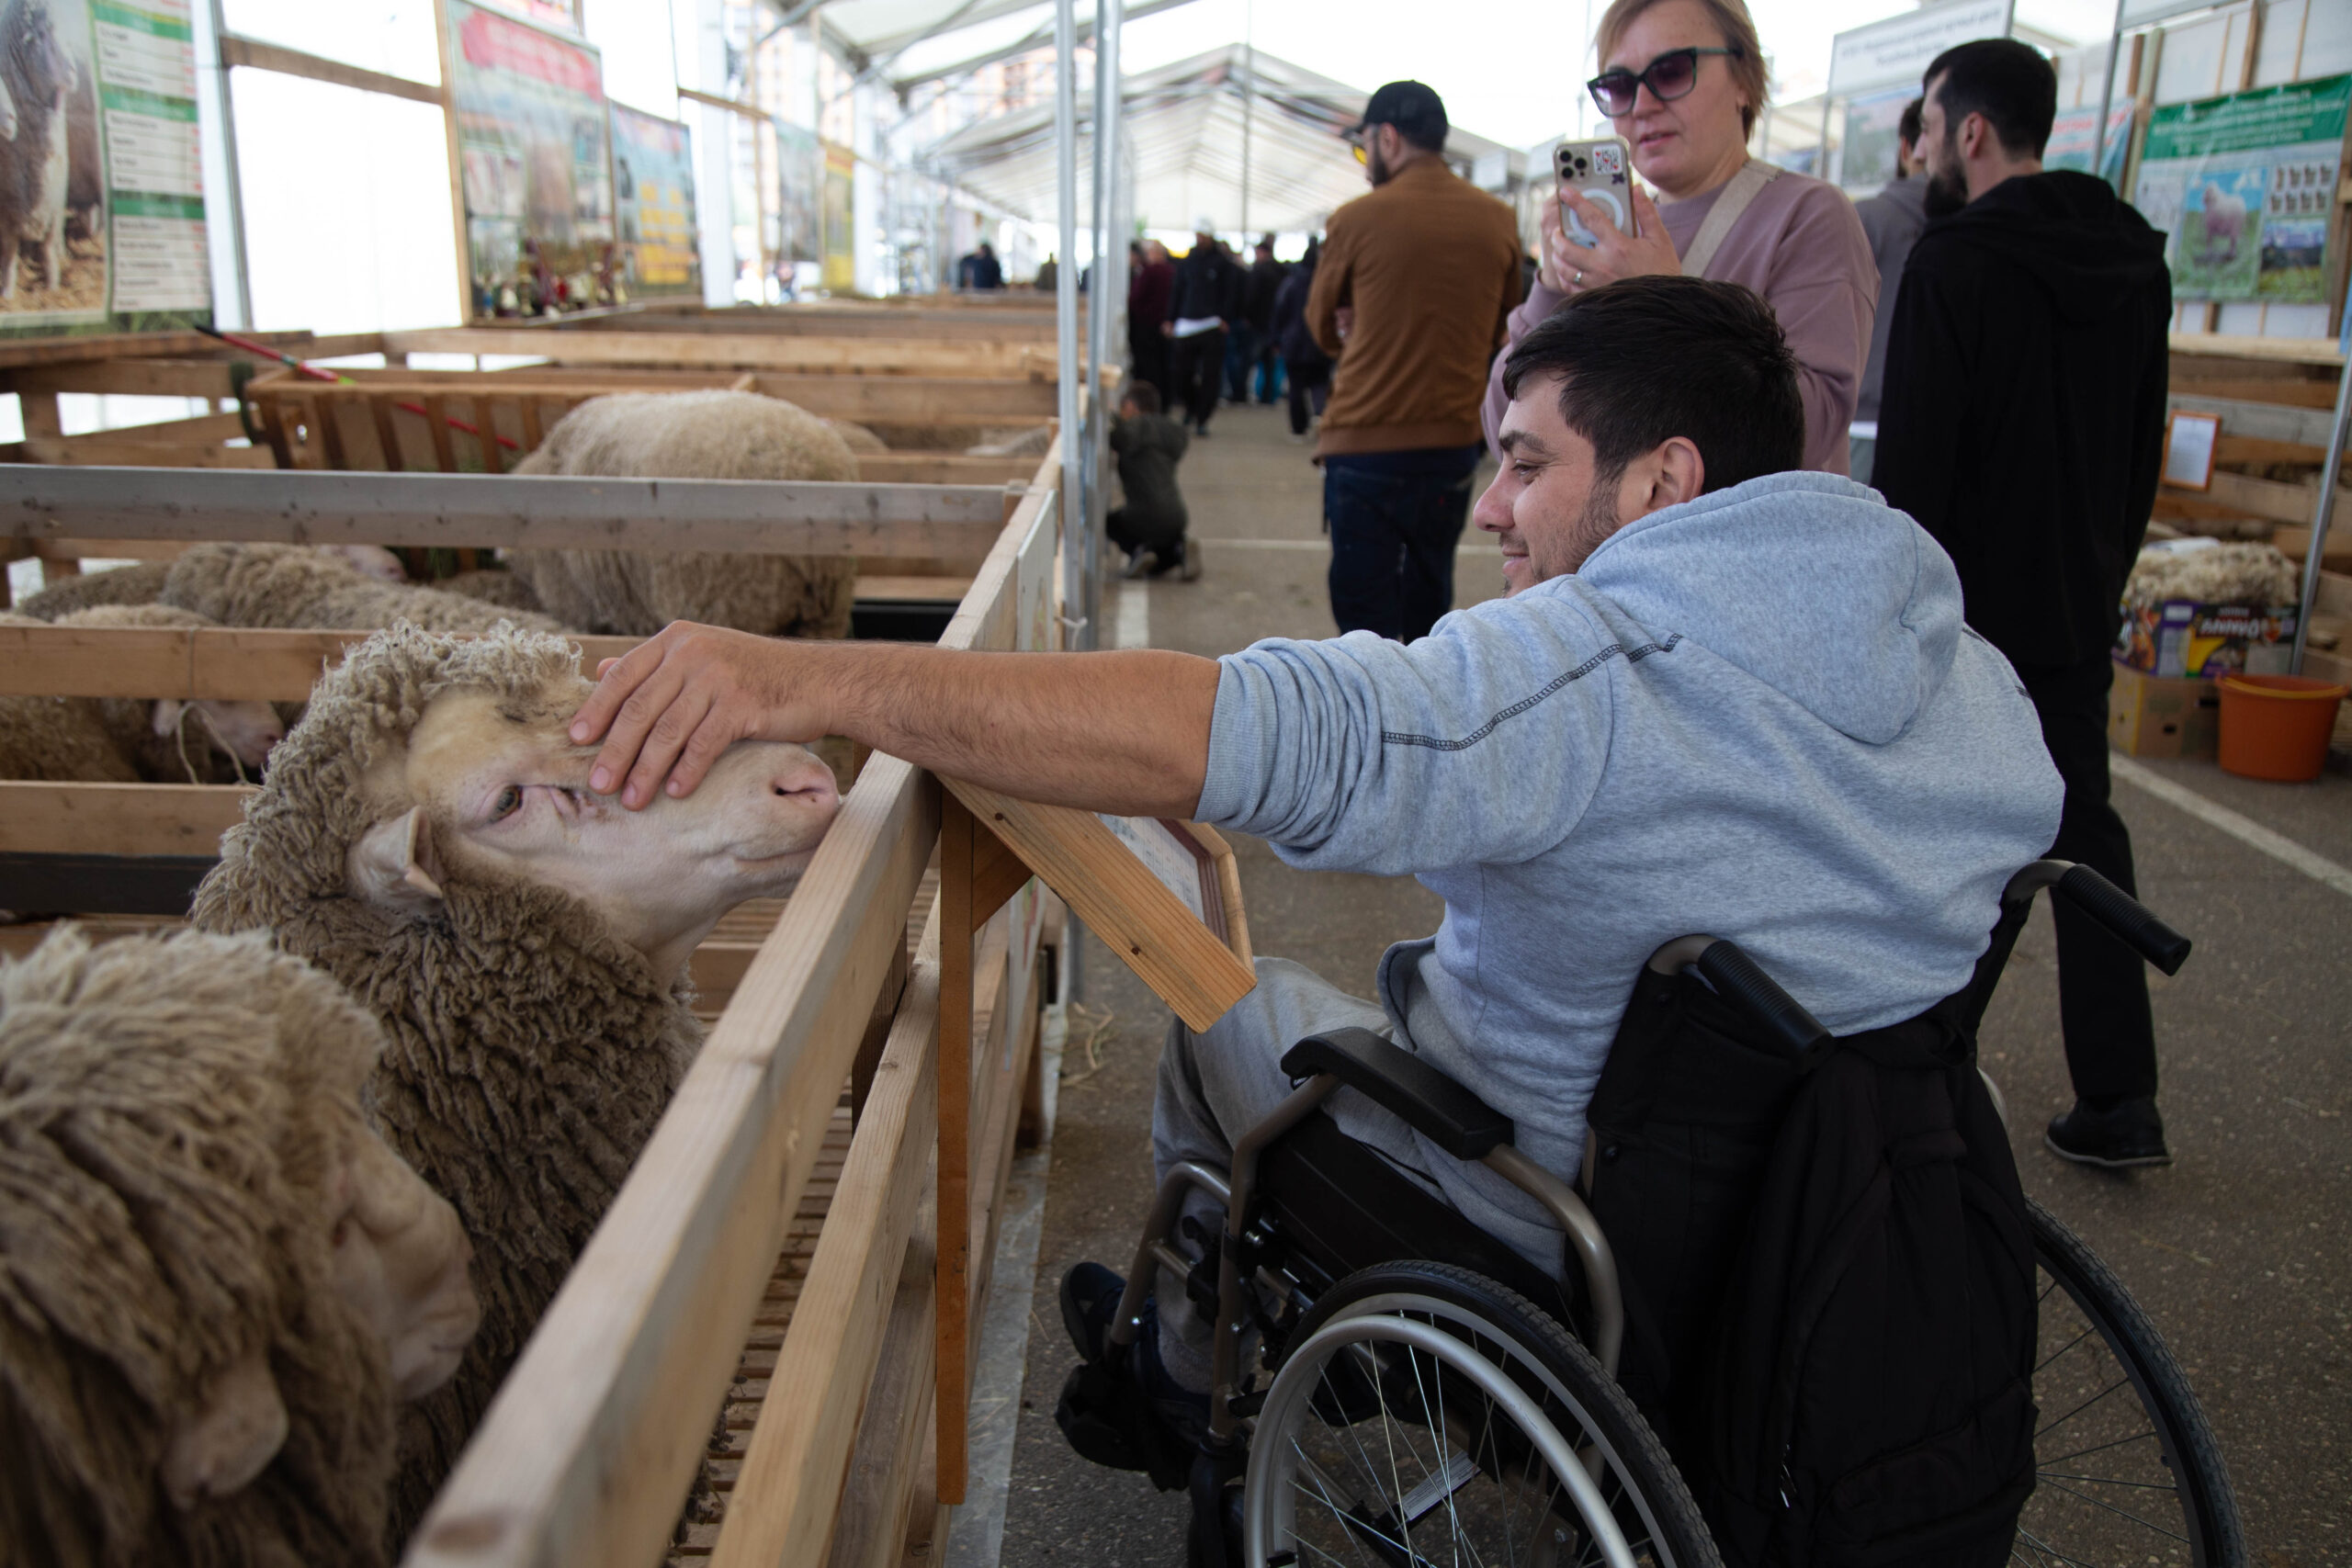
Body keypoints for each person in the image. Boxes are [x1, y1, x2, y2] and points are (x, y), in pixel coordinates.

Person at [563, 276, 2063, 1427]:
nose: (1492, 507)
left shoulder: (1584, 674)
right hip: (1859, 1199)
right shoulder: (1967, 676)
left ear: (1666, 484)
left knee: (1232, 1002)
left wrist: (812, 679)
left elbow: (1230, 727)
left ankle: (1185, 1361)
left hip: (1562, 1217)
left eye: (1527, 462)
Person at [1871, 39, 2174, 1168]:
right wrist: (2105, 571)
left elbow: (1913, 470)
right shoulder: (2136, 261)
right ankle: (2120, 1097)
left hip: (1969, 612)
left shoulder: (1955, 262)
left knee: (1943, 834)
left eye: (1933, 123)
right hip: (2078, 595)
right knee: (2078, 829)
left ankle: (1917, 1072)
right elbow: (2142, 443)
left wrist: (1899, 611)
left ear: (1968, 131)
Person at [1482, 0, 1877, 476]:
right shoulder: (1614, 238)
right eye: (1618, 85)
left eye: (1670, 72)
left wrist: (1664, 296)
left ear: (1743, 80)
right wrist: (1549, 283)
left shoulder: (1807, 213)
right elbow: (1504, 429)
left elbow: (1809, 428)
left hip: (1740, 546)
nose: (1642, 105)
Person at [1309, 81, 1522, 641]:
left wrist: (1352, 333)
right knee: (1430, 600)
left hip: (1364, 445)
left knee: (1363, 621)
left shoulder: (1357, 218)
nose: (1364, 166)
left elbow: (1317, 325)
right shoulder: (1497, 218)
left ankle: (1373, 726)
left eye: (1363, 150)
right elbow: (1514, 324)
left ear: (1387, 138)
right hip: (1448, 445)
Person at [1848, 97, 1929, 485]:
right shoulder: (1976, 234)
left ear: (1907, 147)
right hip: (1932, 425)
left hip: (1860, 422)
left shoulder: (1865, 219)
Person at [1107, 382, 1198, 581]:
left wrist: (1109, 416)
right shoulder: (1172, 431)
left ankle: (1138, 550)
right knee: (1160, 552)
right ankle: (1178, 549)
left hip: (1140, 517)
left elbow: (1118, 437)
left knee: (1109, 523)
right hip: (1176, 517)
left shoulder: (1135, 427)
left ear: (1130, 406)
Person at [1165, 222, 1243, 435]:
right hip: (1186, 325)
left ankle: (1202, 417)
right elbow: (1178, 290)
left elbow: (1232, 293)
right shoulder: (1188, 262)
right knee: (1181, 374)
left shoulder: (1223, 264)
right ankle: (1191, 407)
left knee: (1211, 377)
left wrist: (1226, 318)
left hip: (1212, 326)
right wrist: (1170, 319)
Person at [1272, 236, 1333, 443]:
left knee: (1296, 388)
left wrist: (1276, 338)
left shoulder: (1292, 283)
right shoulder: (1327, 283)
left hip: (1294, 343)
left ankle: (1299, 429)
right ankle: (1321, 416)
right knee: (1320, 384)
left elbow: (1280, 311)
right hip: (1320, 342)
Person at [1230, 236, 1286, 406]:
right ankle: (1267, 396)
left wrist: (1246, 316)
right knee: (1269, 363)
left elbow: (1251, 297)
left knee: (1247, 361)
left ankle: (1240, 394)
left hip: (1257, 324)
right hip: (1274, 324)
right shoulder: (1281, 271)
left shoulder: (1259, 272)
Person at [1127, 240, 1175, 401]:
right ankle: (1164, 400)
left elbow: (1136, 299)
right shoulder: (1172, 271)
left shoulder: (1150, 272)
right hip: (1165, 326)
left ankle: (1150, 401)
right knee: (1163, 366)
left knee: (1149, 368)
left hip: (1146, 327)